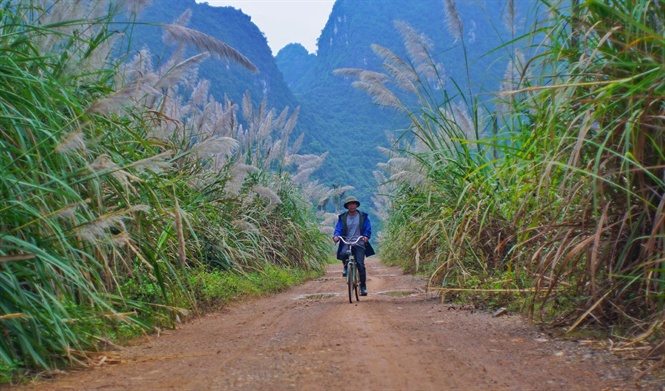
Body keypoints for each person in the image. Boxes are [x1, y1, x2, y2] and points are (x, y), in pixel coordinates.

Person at [333, 196, 375, 296]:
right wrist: (336, 236)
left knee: (360, 264)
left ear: (356, 205)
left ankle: (363, 287)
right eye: (349, 204)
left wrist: (366, 236)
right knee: (343, 254)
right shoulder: (342, 217)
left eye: (353, 203)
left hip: (359, 242)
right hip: (347, 242)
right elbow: (338, 228)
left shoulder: (363, 216)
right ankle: (345, 267)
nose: (351, 205)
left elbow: (367, 228)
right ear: (347, 206)